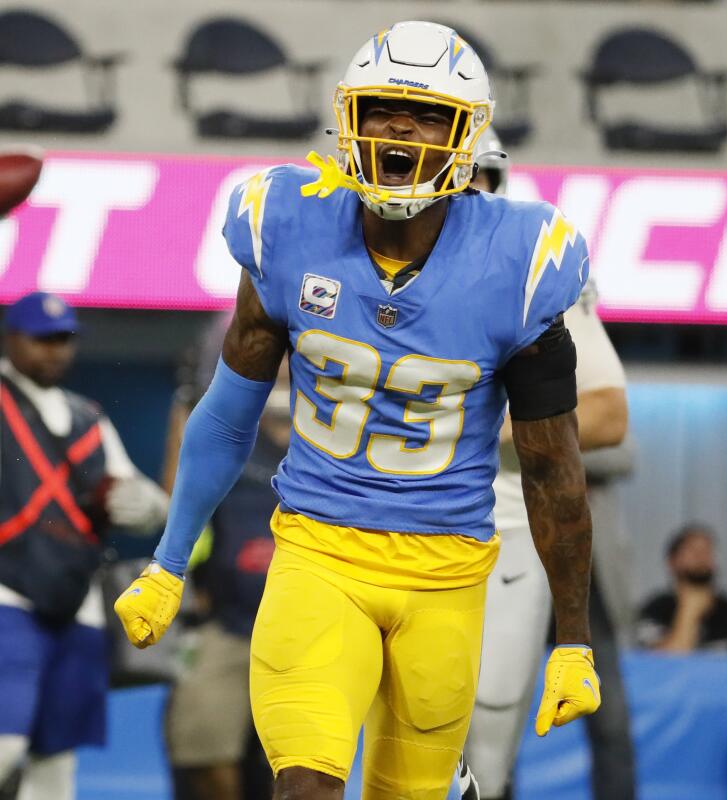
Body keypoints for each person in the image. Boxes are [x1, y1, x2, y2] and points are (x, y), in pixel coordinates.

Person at [112, 21, 599, 800]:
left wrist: (573, 640)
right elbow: (229, 414)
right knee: (304, 783)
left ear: (468, 135)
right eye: (380, 108)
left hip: (449, 570)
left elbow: (552, 469)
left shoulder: (521, 263)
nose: (401, 127)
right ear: (346, 118)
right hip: (319, 555)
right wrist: (171, 559)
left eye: (430, 114)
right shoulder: (286, 224)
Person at [463, 130, 631, 800]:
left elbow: (610, 413)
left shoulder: (529, 264)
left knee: (488, 737)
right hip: (388, 515)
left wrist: (493, 428)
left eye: (475, 177)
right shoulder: (361, 254)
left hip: (502, 523)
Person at [0, 291, 168, 800]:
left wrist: (145, 505)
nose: (55, 351)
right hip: (8, 595)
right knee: (4, 746)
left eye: (65, 340)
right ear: (11, 339)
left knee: (57, 762)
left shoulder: (87, 416)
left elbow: (145, 500)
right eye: (43, 339)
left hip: (78, 601)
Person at [162, 356, 289, 800]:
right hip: (226, 624)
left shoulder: (336, 435)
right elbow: (178, 496)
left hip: (311, 630)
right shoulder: (229, 428)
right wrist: (185, 411)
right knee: (199, 745)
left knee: (301, 765)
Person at [636, 524, 727, 652]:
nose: (700, 558)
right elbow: (656, 662)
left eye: (707, 551)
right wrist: (689, 613)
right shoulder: (655, 610)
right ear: (672, 561)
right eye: (693, 551)